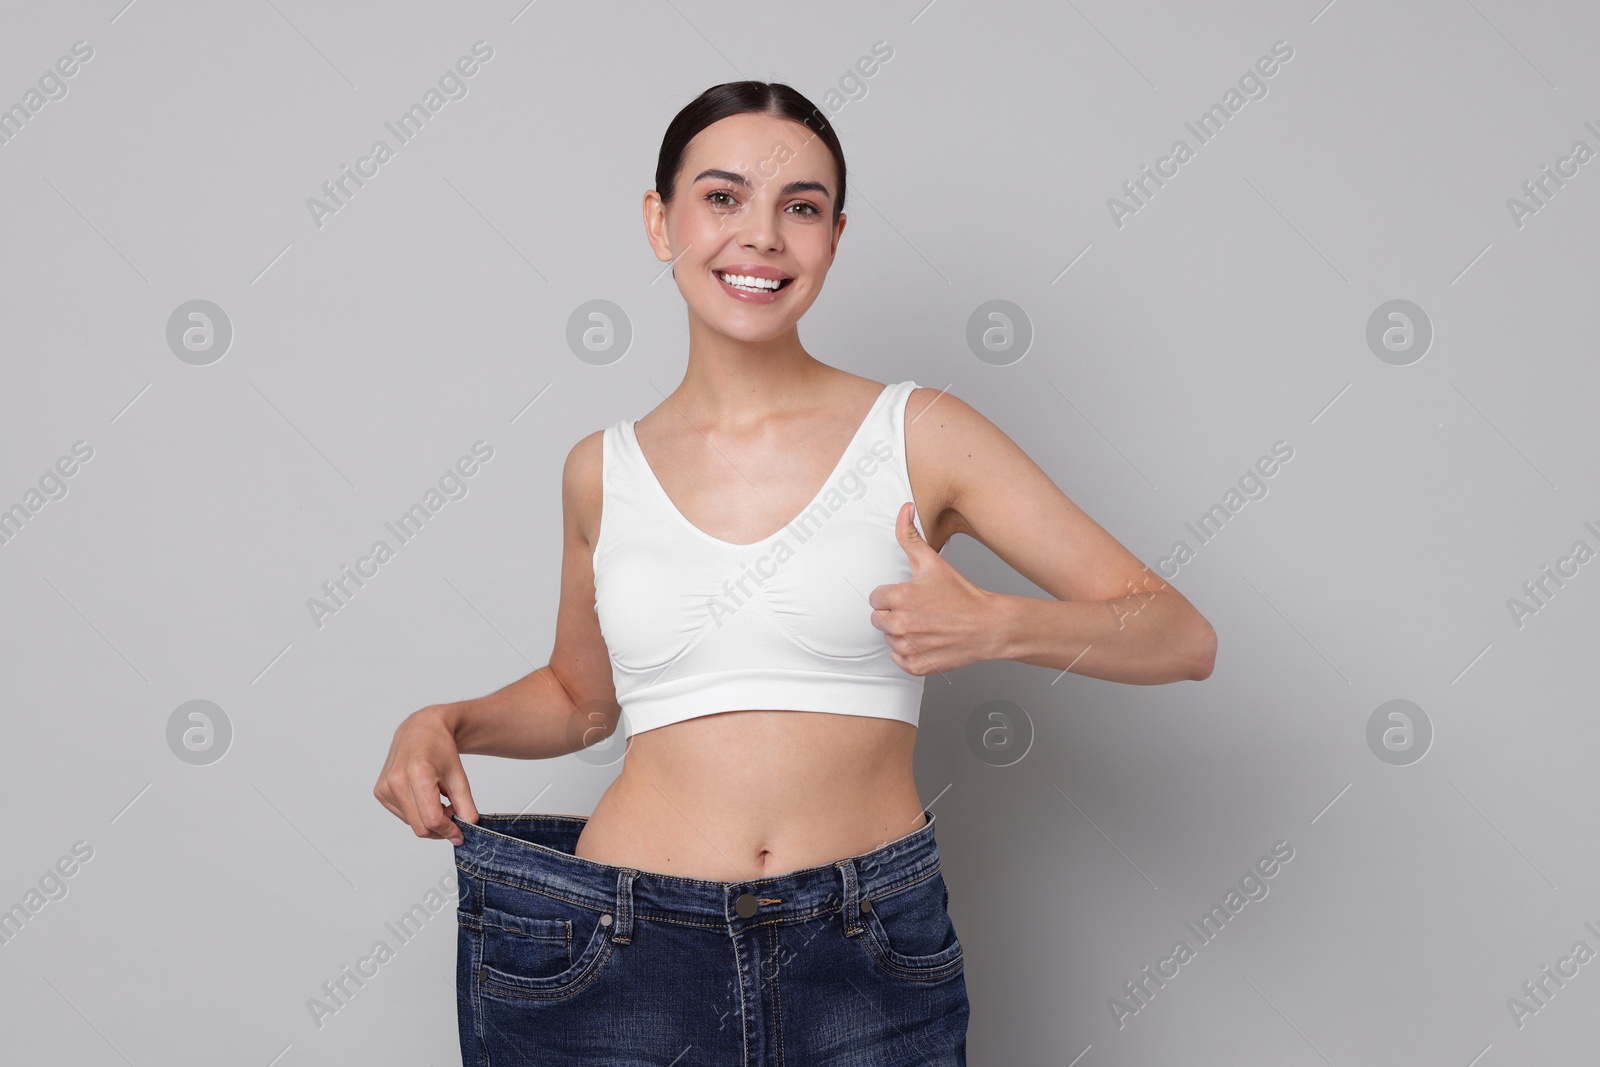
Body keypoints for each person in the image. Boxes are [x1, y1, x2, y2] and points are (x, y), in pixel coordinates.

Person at [374, 79, 1216, 1066]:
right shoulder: (600, 470)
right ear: (661, 221)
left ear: (834, 236)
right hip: (617, 951)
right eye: (723, 197)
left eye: (801, 207)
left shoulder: (921, 434)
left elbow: (1176, 632)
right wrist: (445, 722)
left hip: (862, 954)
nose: (762, 236)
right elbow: (580, 698)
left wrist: (997, 625)